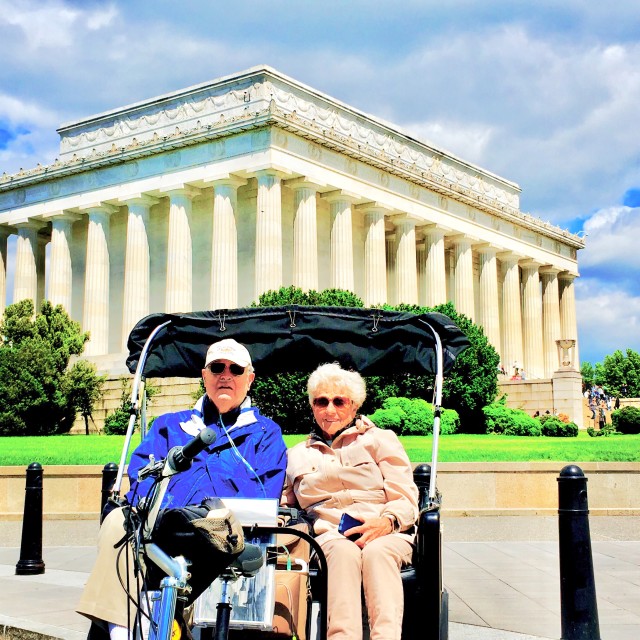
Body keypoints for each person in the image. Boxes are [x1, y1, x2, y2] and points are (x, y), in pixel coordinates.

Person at [78, 338, 287, 640]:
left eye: (235, 369)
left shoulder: (266, 434)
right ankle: (120, 630)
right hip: (159, 528)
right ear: (205, 376)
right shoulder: (169, 426)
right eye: (217, 367)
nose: (225, 375)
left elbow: (263, 497)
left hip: (218, 533)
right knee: (117, 522)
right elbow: (141, 476)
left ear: (249, 379)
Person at [281, 363, 419, 640]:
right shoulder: (296, 455)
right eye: (321, 401)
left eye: (338, 401)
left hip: (387, 530)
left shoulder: (380, 440)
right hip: (329, 535)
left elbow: (405, 496)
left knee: (376, 553)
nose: (329, 409)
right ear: (312, 406)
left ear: (354, 406)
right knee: (343, 554)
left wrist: (387, 521)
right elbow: (286, 505)